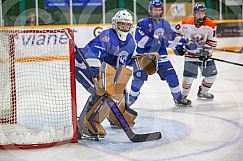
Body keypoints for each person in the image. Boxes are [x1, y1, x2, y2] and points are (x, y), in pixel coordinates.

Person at [75, 10, 137, 139]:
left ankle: (116, 117)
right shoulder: (107, 36)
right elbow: (92, 54)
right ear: (115, 24)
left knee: (119, 87)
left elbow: (123, 62)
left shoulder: (131, 42)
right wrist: (98, 76)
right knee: (102, 90)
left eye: (127, 25)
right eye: (122, 24)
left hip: (103, 67)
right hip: (83, 64)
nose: (125, 27)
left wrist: (140, 61)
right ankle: (84, 125)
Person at [128, 0, 192, 107]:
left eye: (159, 9)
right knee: (138, 79)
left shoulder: (165, 23)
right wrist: (158, 40)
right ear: (150, 10)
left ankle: (178, 98)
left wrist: (185, 42)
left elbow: (171, 37)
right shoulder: (142, 22)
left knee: (172, 76)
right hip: (144, 57)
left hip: (161, 56)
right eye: (155, 10)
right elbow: (140, 41)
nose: (157, 12)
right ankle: (129, 100)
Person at [173, 4, 217, 100]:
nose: (200, 15)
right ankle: (182, 97)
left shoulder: (211, 25)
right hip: (190, 55)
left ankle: (203, 92)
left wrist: (205, 53)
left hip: (205, 56)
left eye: (202, 13)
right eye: (198, 13)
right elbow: (174, 34)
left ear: (205, 13)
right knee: (188, 79)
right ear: (194, 13)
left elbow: (212, 42)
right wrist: (178, 46)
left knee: (212, 76)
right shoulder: (185, 22)